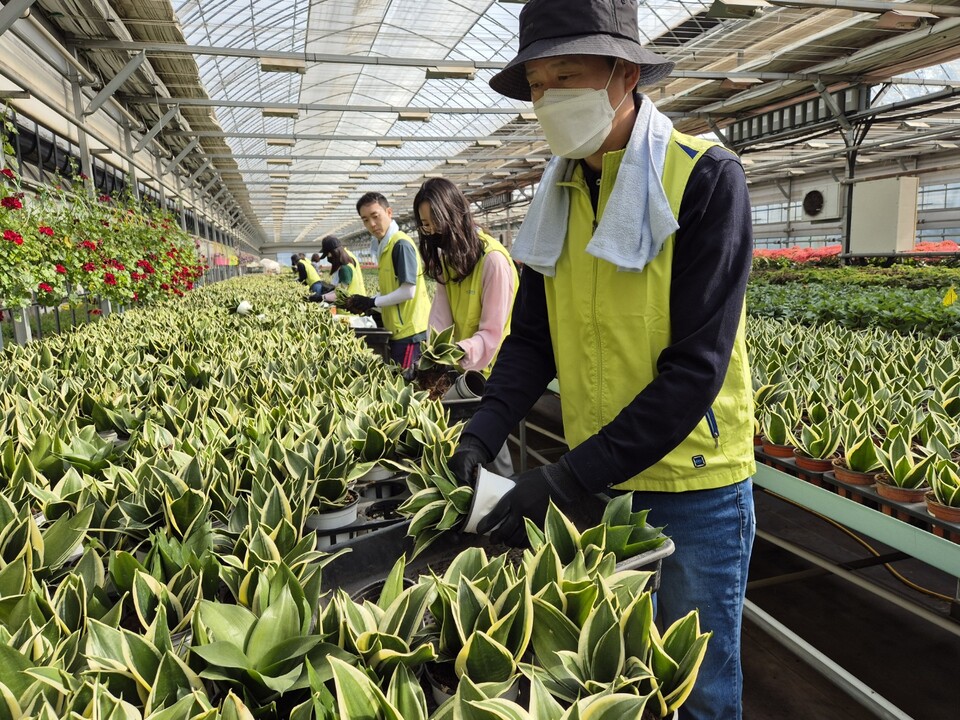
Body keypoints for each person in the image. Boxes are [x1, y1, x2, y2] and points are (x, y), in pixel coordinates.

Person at [447, 2, 756, 719]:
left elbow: (695, 370)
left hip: (692, 487)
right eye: (537, 84)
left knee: (699, 690)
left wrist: (562, 478)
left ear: (624, 75)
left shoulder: (704, 179)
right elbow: (532, 340)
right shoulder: (554, 194)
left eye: (566, 76)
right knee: (613, 676)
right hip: (603, 478)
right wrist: (482, 432)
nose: (548, 98)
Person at [415, 177, 519, 475]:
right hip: (464, 371)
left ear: (454, 213)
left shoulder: (493, 261)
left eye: (435, 222)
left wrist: (454, 353)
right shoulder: (449, 259)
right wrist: (432, 355)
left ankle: (504, 495)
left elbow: (492, 334)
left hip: (493, 373)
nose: (432, 231)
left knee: (491, 447)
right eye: (425, 225)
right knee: (466, 450)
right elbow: (440, 316)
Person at [345, 192, 431, 368]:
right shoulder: (385, 246)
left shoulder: (400, 245)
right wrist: (369, 303)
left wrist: (372, 302)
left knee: (406, 380)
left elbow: (408, 291)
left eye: (375, 216)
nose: (372, 224)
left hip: (410, 333)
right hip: (398, 331)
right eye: (365, 220)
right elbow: (393, 289)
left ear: (389, 212)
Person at [318, 234, 366, 302]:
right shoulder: (346, 258)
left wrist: (322, 297)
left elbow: (341, 293)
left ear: (334, 253)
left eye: (328, 254)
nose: (328, 258)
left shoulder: (345, 267)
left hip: (353, 303)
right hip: (353, 299)